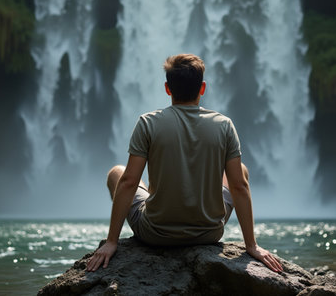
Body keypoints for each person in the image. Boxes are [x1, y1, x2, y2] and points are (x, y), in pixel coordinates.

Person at [86, 53, 282, 273]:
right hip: (209, 233)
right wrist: (251, 246)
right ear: (202, 88)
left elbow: (129, 182)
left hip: (155, 233)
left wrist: (112, 241)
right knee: (241, 172)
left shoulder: (147, 123)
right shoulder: (224, 125)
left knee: (117, 173)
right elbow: (239, 187)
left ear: (168, 88)